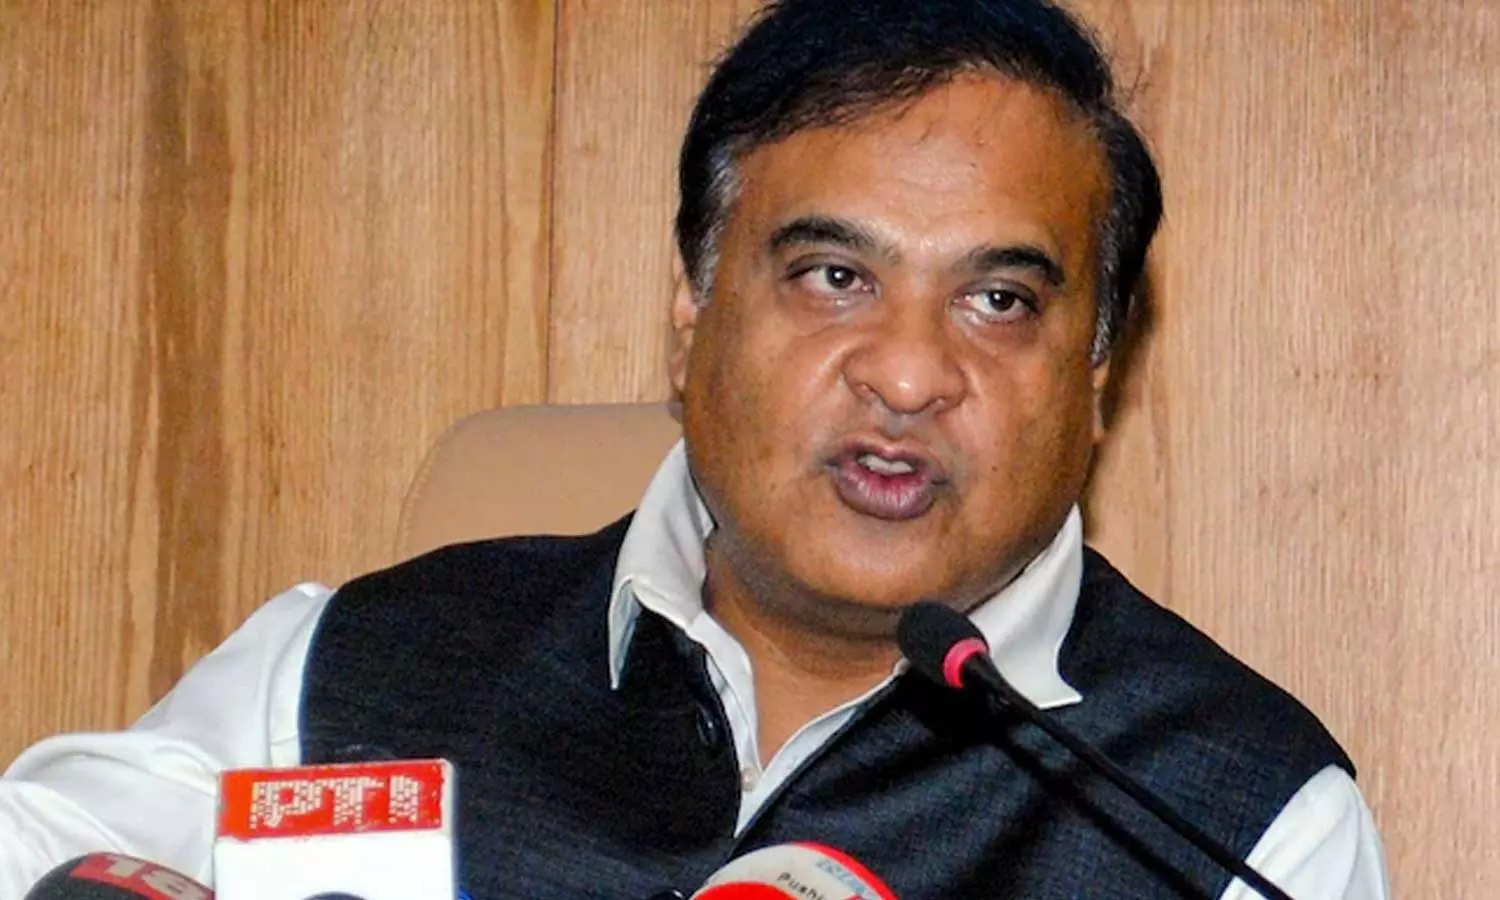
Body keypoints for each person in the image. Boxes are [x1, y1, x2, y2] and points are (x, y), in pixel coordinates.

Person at [1, 1, 1389, 898]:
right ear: (693, 311)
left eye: (1000, 301)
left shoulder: (1238, 821)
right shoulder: (346, 672)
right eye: (833, 278)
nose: (909, 373)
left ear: (1095, 378)